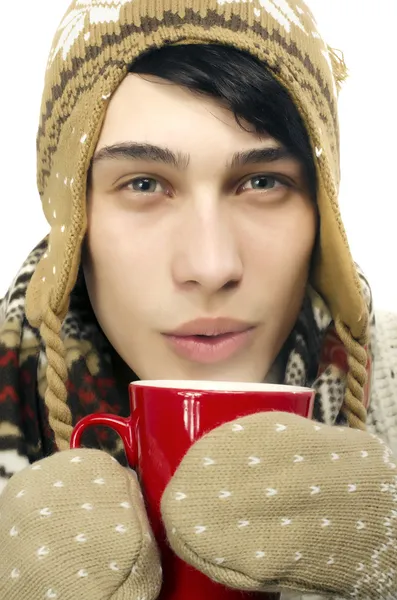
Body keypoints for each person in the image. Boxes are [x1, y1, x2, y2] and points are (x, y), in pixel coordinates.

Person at [0, 0, 396, 598]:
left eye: (263, 181)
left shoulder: (387, 375)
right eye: (143, 184)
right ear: (73, 223)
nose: (211, 267)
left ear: (323, 216)